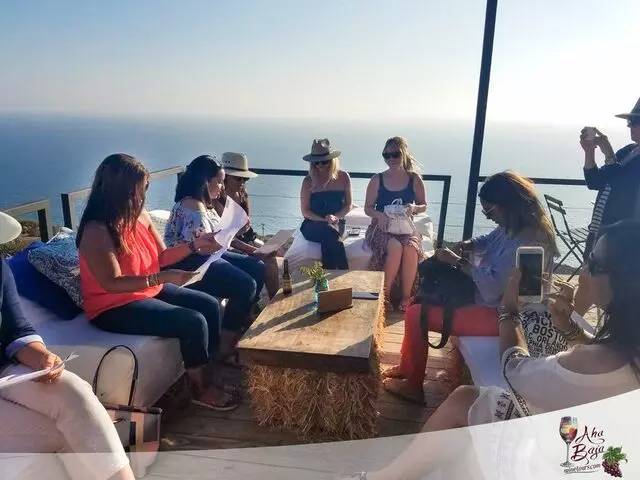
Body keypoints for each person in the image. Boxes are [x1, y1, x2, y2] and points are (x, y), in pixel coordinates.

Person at [352, 220, 640, 480]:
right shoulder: (626, 346)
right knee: (469, 403)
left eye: (593, 262)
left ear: (624, 283)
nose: (584, 270)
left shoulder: (589, 362)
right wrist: (570, 327)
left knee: (466, 399)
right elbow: (485, 242)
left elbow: (514, 369)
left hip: (567, 456)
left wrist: (509, 311)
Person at [78, 154, 238, 412]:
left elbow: (161, 257)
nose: (144, 194)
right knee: (192, 321)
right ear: (122, 190)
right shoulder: (96, 230)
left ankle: (210, 370)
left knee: (209, 305)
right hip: (113, 306)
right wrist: (162, 277)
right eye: (141, 188)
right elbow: (112, 283)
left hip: (146, 290)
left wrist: (194, 245)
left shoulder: (139, 216)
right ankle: (199, 389)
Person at [382, 171, 558, 405]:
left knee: (416, 314)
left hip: (505, 316)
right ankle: (408, 366)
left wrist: (456, 261)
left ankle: (413, 386)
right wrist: (469, 244)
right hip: (492, 305)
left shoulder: (529, 245)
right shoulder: (514, 226)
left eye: (489, 212)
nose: (489, 217)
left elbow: (493, 288)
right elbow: (489, 239)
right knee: (417, 302)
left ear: (507, 205)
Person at [0, 211, 135, 480]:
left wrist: (41, 357)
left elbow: (16, 329)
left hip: (5, 373)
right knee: (66, 434)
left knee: (75, 393)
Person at [164, 155, 266, 363]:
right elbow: (202, 248)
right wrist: (228, 237)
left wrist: (251, 250)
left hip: (206, 255)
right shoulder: (193, 208)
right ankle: (225, 347)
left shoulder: (202, 204)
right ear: (205, 181)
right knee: (245, 284)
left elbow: (217, 238)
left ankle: (240, 322)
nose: (222, 187)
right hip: (191, 262)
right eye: (219, 182)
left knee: (257, 266)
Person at [574, 97, 640, 315]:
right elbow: (595, 182)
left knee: (610, 290)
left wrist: (609, 154)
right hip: (600, 230)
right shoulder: (628, 151)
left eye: (635, 122)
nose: (630, 127)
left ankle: (575, 327)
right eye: (630, 122)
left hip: (621, 237)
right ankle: (571, 326)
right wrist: (589, 152)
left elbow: (623, 185)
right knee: (587, 280)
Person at [364, 136, 427, 311]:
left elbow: (423, 205)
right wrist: (380, 215)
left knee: (411, 248)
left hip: (405, 227)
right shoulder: (377, 179)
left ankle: (406, 297)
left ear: (404, 154)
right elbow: (368, 208)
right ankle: (385, 296)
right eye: (387, 155)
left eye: (395, 154)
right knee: (395, 247)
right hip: (381, 227)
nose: (391, 158)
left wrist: (413, 208)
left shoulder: (414, 179)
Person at [216, 152, 279, 299]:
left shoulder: (242, 192)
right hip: (231, 242)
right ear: (226, 177)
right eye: (238, 178)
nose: (242, 182)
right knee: (264, 260)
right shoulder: (217, 198)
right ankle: (257, 302)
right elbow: (225, 233)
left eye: (245, 178)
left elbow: (246, 221)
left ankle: (274, 300)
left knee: (272, 255)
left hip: (246, 235)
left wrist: (245, 226)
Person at [299, 138, 352, 270]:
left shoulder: (344, 177)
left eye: (324, 161)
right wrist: (324, 220)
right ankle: (341, 272)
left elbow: (348, 205)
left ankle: (328, 274)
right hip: (313, 224)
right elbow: (305, 211)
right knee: (329, 232)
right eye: (316, 162)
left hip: (337, 222)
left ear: (332, 160)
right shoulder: (308, 181)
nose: (320, 165)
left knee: (330, 232)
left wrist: (335, 217)